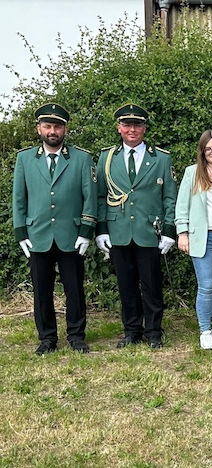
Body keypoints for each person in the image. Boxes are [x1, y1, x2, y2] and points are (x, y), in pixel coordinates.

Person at [12, 103, 96, 355]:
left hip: (70, 235)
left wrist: (86, 230)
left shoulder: (81, 158)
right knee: (41, 290)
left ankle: (76, 335)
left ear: (65, 129)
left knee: (75, 289)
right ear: (39, 128)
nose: (52, 131)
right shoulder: (24, 159)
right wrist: (20, 232)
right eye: (47, 126)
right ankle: (47, 338)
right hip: (37, 235)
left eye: (57, 126)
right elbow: (18, 198)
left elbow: (89, 197)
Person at [95, 103, 177, 349]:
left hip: (150, 231)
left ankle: (153, 331)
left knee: (152, 284)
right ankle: (131, 330)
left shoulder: (161, 158)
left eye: (137, 125)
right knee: (126, 284)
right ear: (119, 128)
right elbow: (100, 196)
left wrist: (170, 232)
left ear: (144, 128)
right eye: (127, 124)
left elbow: (170, 198)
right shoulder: (106, 158)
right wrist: (101, 230)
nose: (132, 129)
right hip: (119, 230)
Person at [176, 129, 212, 350]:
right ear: (202, 151)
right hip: (201, 236)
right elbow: (182, 205)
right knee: (207, 284)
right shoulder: (192, 173)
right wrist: (182, 233)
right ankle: (204, 331)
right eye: (208, 149)